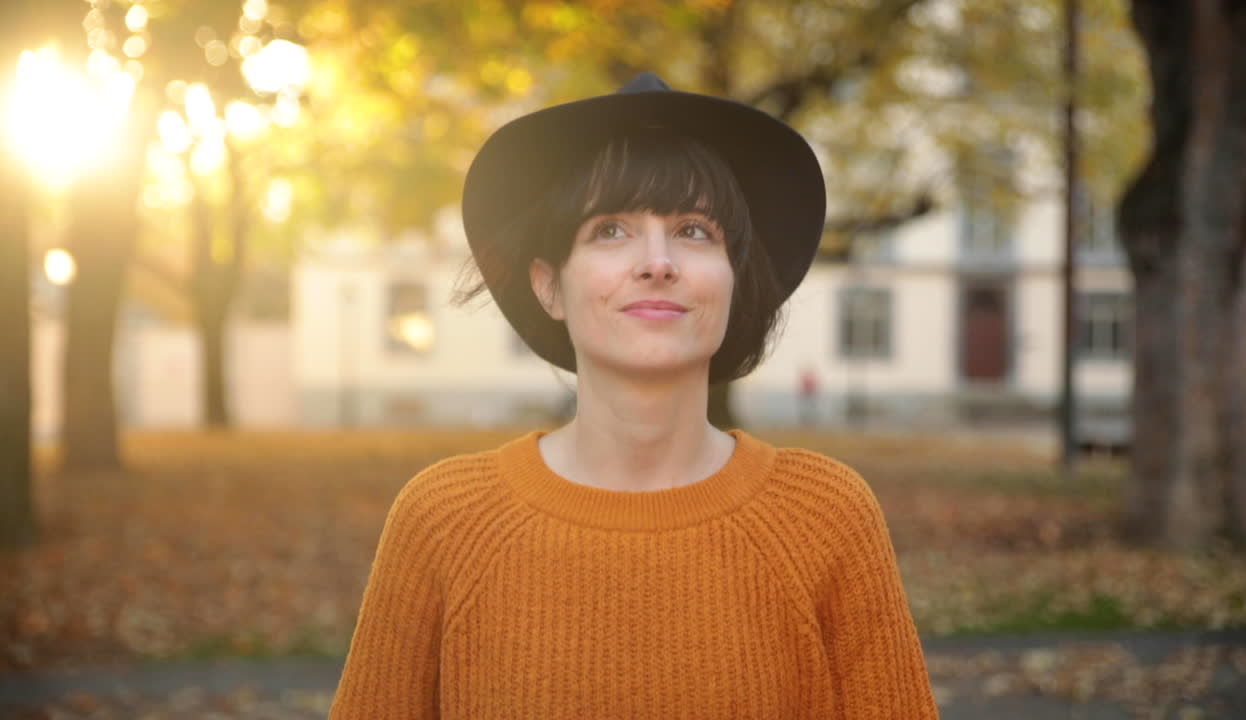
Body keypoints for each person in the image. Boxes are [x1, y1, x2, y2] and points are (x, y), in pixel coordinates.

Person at [329, 72, 938, 719]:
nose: (657, 261)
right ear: (549, 286)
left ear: (735, 280)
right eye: (610, 231)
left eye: (695, 231)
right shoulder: (444, 522)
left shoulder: (826, 518)